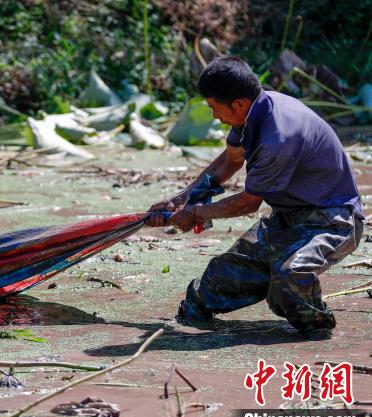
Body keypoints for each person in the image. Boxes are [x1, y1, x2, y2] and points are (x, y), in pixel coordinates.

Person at [148, 56, 364, 339]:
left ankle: (318, 329)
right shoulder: (254, 111)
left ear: (237, 104)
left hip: (331, 221)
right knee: (212, 286)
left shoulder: (279, 136)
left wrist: (197, 214)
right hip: (285, 219)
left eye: (214, 107)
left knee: (289, 278)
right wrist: (182, 199)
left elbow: (248, 203)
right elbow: (230, 160)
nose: (214, 116)